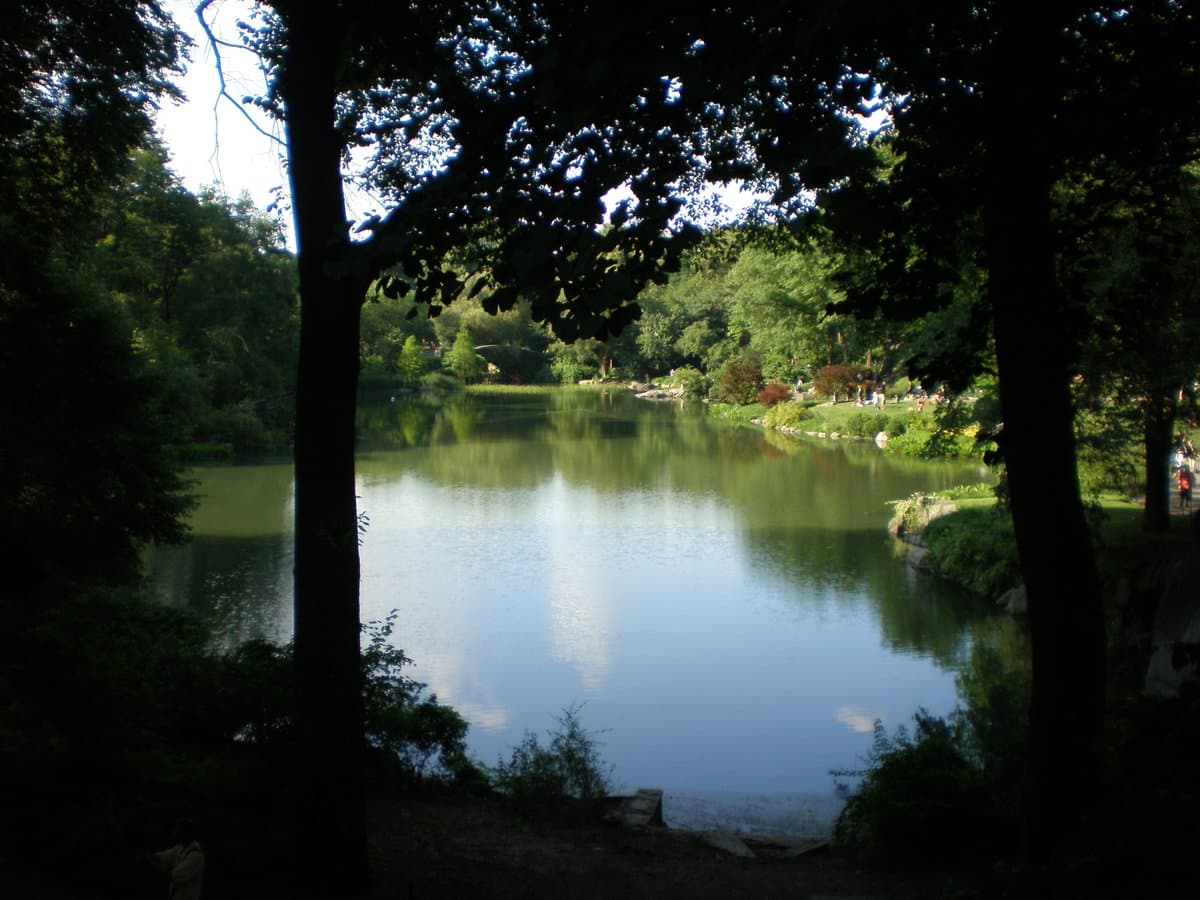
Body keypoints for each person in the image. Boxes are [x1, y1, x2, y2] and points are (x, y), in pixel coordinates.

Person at [150, 819, 205, 900]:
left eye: (178, 831)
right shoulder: (179, 848)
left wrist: (157, 866)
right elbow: (161, 856)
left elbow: (175, 876)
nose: (175, 833)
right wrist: (149, 856)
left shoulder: (196, 856)